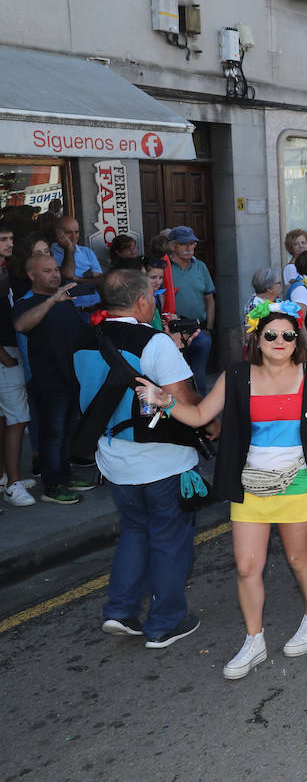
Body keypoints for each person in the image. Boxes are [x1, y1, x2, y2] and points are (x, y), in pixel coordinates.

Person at [137, 300, 307, 677]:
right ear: (257, 337)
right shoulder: (238, 375)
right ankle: (253, 640)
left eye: (288, 335)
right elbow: (199, 415)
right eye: (270, 334)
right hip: (251, 484)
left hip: (299, 482)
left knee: (299, 559)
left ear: (297, 340)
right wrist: (165, 400)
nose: (279, 340)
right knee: (246, 567)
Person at [75, 269, 204, 648]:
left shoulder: (84, 339)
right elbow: (189, 402)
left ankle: (120, 610)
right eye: (152, 295)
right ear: (142, 301)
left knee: (134, 530)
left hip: (114, 457)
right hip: (162, 458)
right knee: (169, 538)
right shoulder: (154, 342)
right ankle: (164, 622)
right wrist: (177, 351)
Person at [14, 255, 89, 503]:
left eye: (56, 269)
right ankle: (52, 486)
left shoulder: (66, 301)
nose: (55, 274)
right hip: (48, 381)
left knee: (68, 432)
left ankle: (65, 476)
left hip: (73, 378)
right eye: (47, 271)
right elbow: (22, 325)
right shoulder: (29, 303)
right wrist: (53, 300)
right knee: (52, 434)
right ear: (32, 275)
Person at [0, 223, 32, 507]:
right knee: (17, 419)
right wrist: (4, 356)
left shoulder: (4, 270)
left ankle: (6, 477)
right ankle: (13, 484)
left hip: (10, 351)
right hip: (5, 355)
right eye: (3, 239)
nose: (9, 243)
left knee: (7, 418)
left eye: (11, 238)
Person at [164, 225, 216, 395]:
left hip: (198, 329)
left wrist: (209, 327)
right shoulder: (164, 267)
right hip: (173, 331)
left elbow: (210, 300)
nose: (189, 248)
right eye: (184, 244)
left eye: (192, 243)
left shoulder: (200, 266)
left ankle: (201, 411)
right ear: (172, 245)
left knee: (199, 373)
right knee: (176, 376)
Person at [51, 214, 103, 309]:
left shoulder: (87, 252)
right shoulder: (50, 253)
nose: (74, 236)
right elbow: (68, 275)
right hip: (69, 309)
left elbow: (100, 281)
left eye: (76, 232)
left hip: (93, 308)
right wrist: (69, 249)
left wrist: (78, 279)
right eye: (69, 232)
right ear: (58, 233)